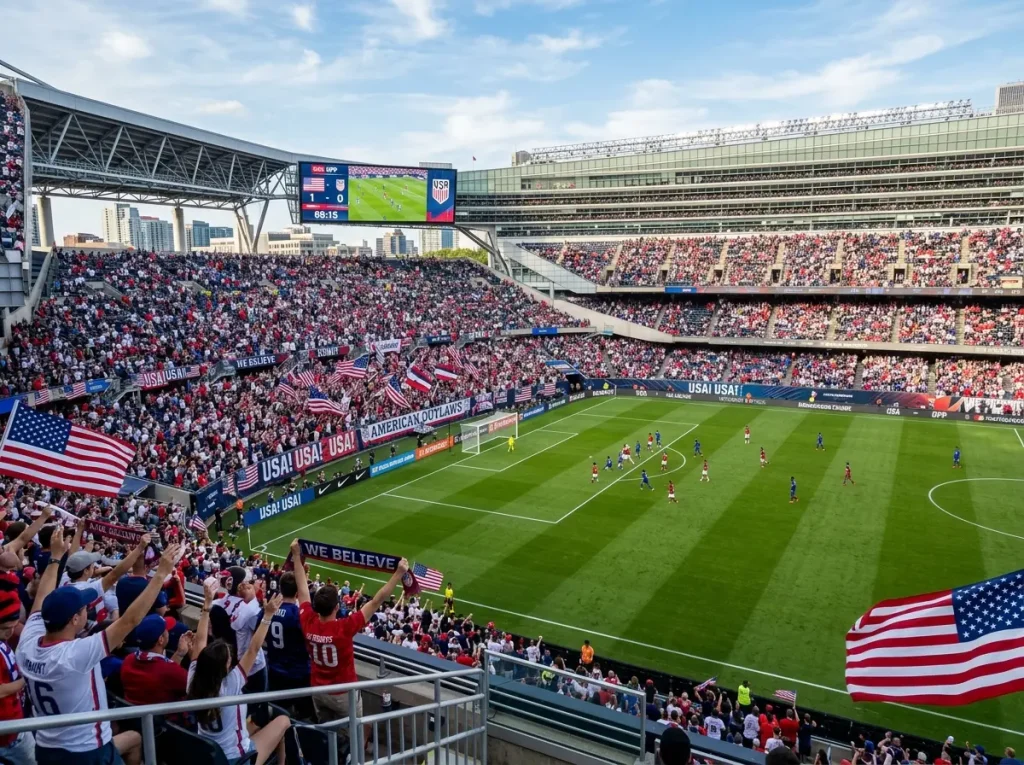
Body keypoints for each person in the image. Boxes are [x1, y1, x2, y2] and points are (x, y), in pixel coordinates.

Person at [18, 529, 180, 765]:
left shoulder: (28, 643)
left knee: (133, 738)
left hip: (46, 748)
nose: (87, 609)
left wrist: (55, 558)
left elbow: (41, 598)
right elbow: (130, 621)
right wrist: (160, 575)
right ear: (75, 619)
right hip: (86, 751)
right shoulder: (74, 655)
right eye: (84, 608)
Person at [290, 539, 408, 727]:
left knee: (326, 730)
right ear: (337, 607)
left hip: (318, 690)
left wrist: (296, 556)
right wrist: (399, 574)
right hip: (343, 692)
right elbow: (377, 601)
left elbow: (302, 590)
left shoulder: (307, 621)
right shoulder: (344, 628)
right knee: (352, 730)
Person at [187, 584, 291, 765]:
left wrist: (207, 605)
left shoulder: (193, 679)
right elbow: (253, 649)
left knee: (259, 722)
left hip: (208, 754)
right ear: (225, 669)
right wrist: (267, 616)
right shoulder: (231, 684)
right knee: (283, 721)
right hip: (237, 759)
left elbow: (199, 643)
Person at [119, 614, 192, 707]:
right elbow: (195, 687)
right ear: (161, 640)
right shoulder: (169, 671)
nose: (168, 631)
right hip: (164, 719)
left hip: (133, 718)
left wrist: (179, 654)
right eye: (165, 630)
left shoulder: (128, 660)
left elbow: (163, 673)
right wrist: (193, 653)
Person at [266, 572, 312, 719]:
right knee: (305, 714)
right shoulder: (298, 615)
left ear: (281, 588)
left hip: (274, 669)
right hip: (298, 672)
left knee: (277, 711)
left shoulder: (268, 611)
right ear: (297, 593)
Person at [0, 588, 31, 765]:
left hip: (15, 722)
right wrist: (26, 680)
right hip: (9, 734)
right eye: (5, 628)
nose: (10, 632)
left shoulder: (3, 642)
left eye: (13, 627)